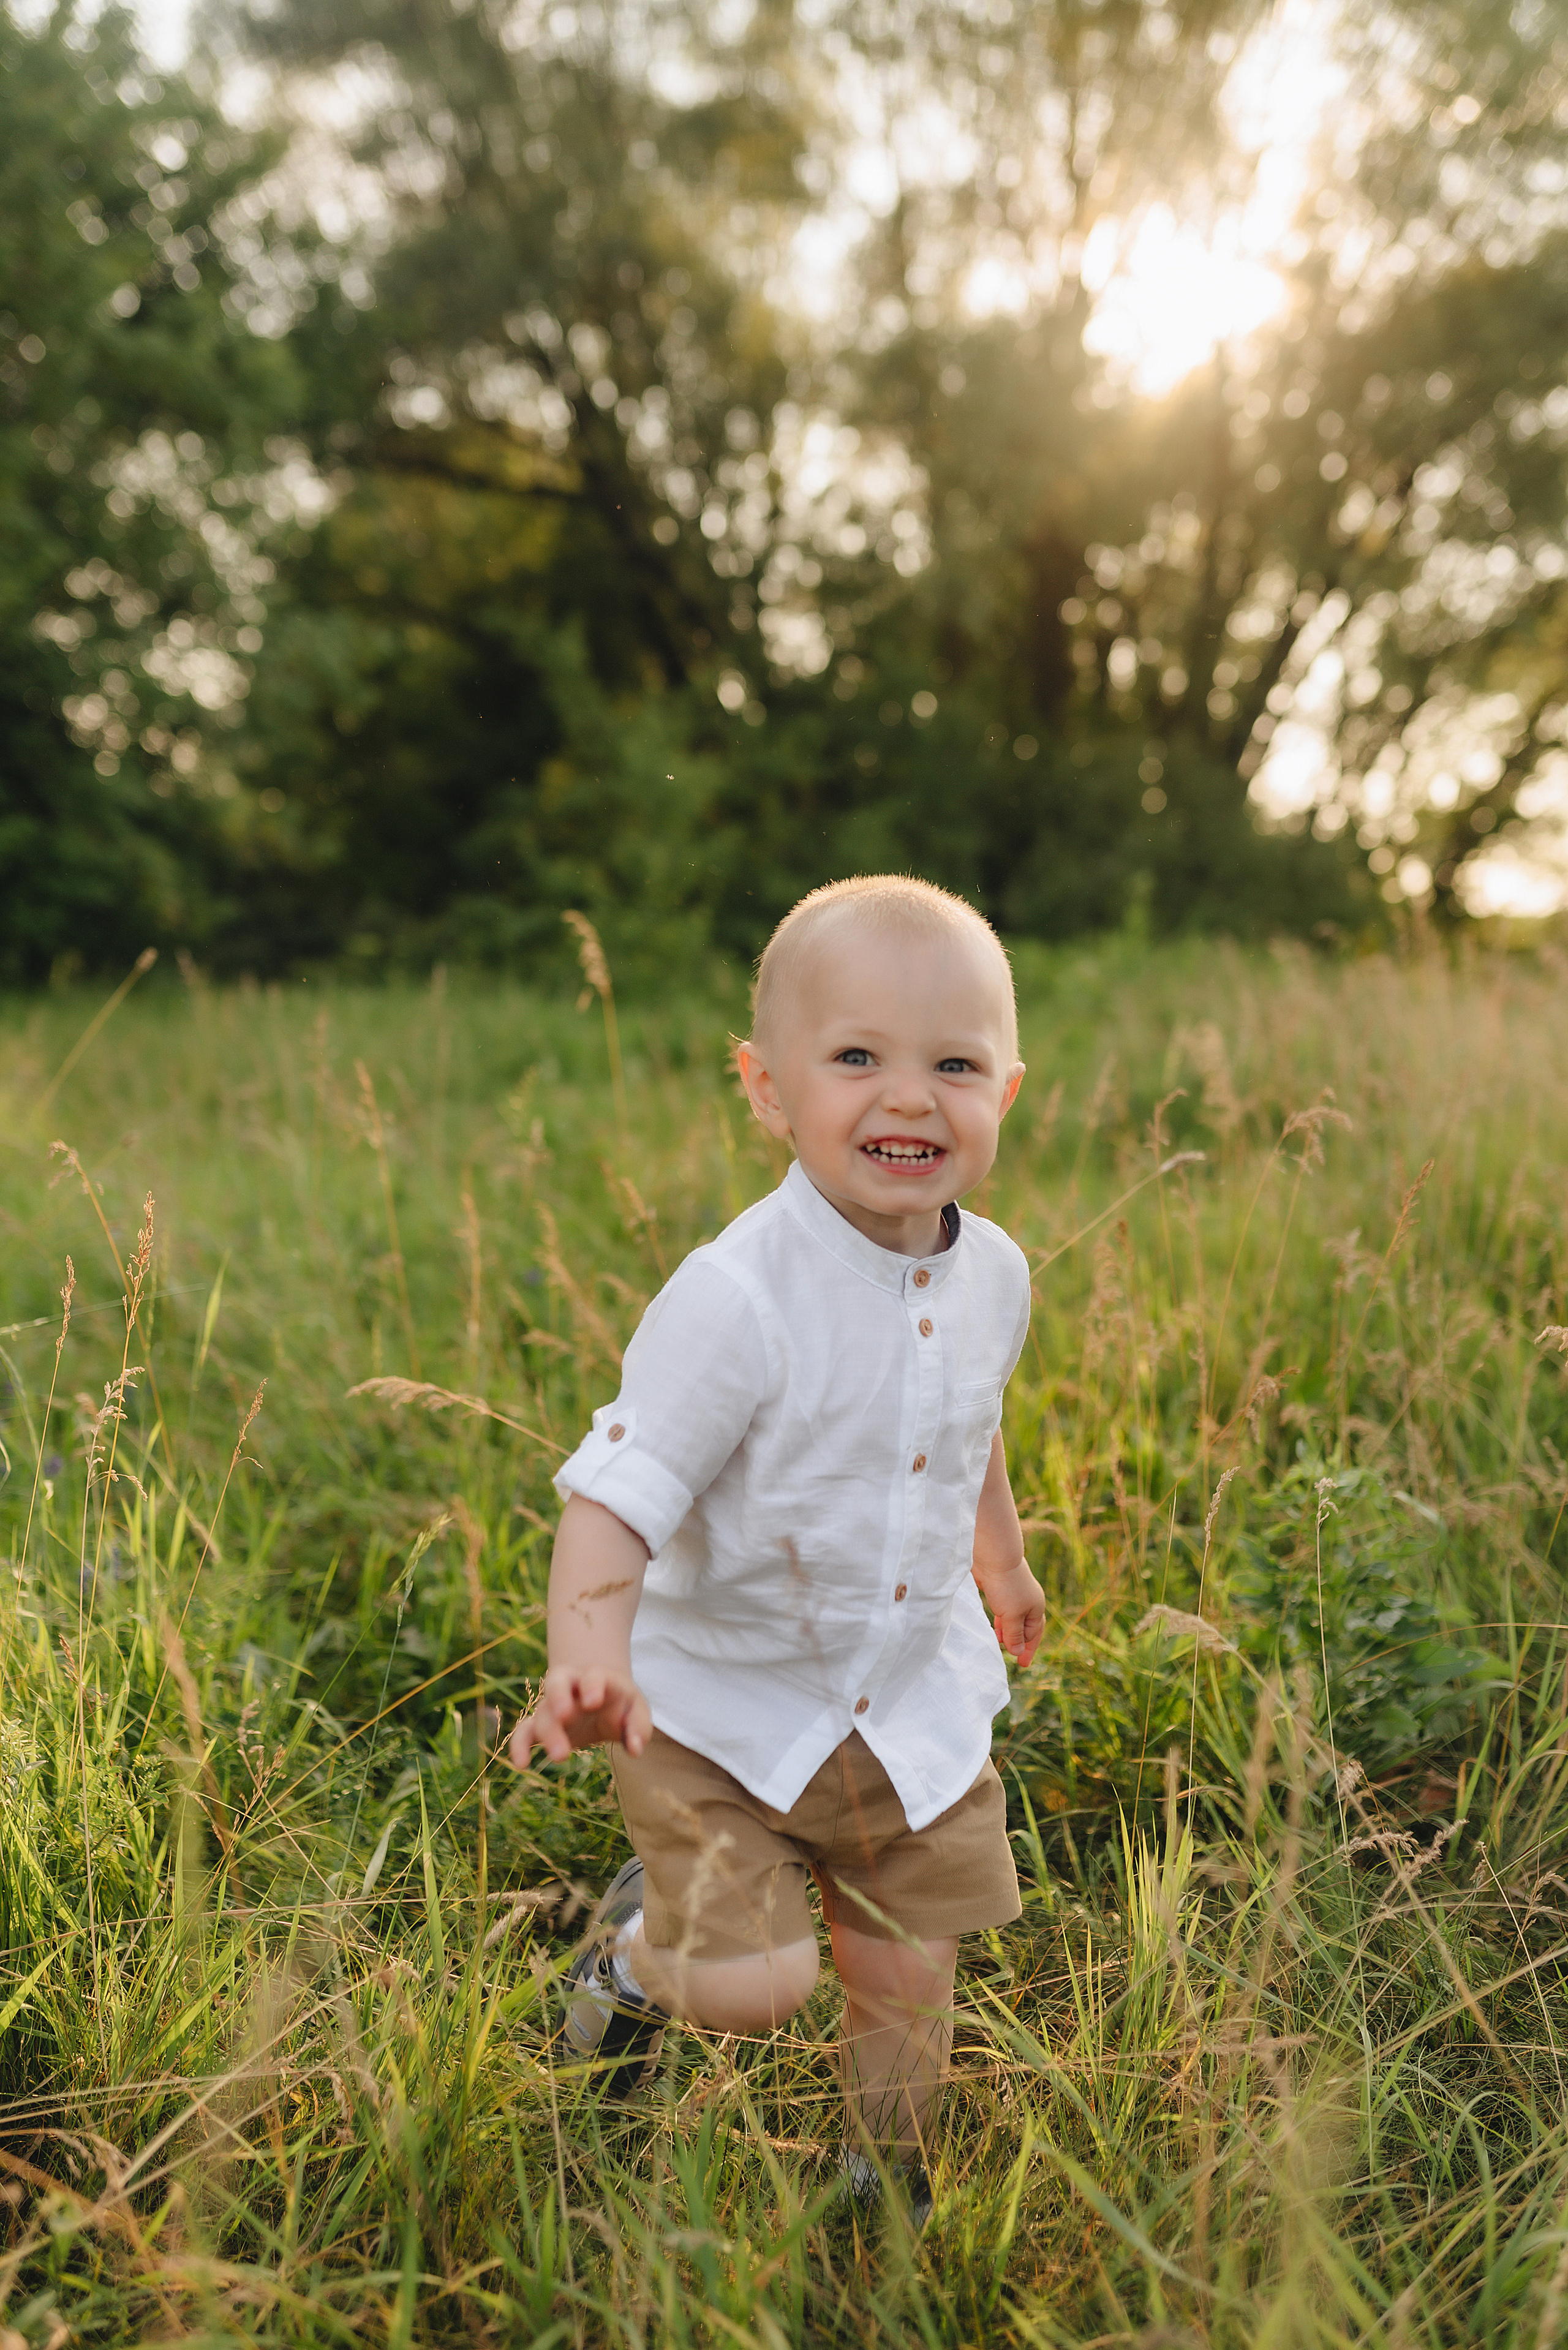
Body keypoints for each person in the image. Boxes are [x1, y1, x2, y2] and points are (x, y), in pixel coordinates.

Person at [509, 873, 1044, 2224]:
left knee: (908, 1969)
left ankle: (879, 2179)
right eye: (856, 1057)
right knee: (756, 1987)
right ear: (767, 1087)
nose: (910, 1097)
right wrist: (587, 1655)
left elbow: (963, 1420)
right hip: (721, 1711)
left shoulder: (994, 1274)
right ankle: (634, 1958)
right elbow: (616, 1496)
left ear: (1005, 1092)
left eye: (953, 1065)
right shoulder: (736, 1296)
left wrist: (1001, 1561)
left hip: (906, 1704)